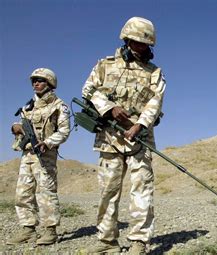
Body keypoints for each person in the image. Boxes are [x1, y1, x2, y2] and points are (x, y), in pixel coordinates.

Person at [81, 17, 166, 254]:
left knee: (142, 190)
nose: (141, 47)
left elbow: (156, 102)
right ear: (127, 40)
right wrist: (108, 107)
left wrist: (140, 124)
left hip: (140, 138)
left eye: (145, 43)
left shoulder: (154, 72)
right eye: (137, 42)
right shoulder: (105, 65)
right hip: (109, 137)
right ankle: (107, 241)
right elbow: (88, 89)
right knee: (108, 190)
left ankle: (139, 241)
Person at [7, 68, 70, 245]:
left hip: (45, 155)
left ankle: (50, 231)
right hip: (27, 154)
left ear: (50, 83)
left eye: (40, 80)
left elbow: (64, 131)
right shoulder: (28, 106)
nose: (36, 83)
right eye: (34, 80)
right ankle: (28, 230)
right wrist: (15, 128)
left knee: (46, 193)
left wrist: (47, 142)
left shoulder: (59, 105)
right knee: (23, 193)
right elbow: (20, 126)